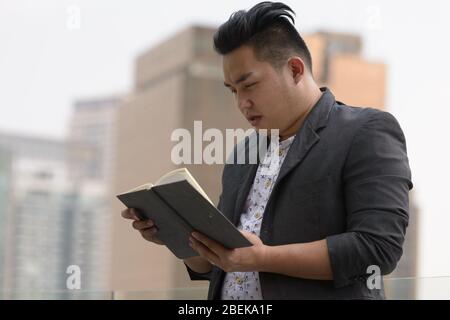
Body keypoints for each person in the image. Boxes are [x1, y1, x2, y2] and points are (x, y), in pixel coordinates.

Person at [121, 1, 413, 299]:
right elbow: (221, 262)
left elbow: (378, 247)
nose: (241, 103)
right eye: (233, 90)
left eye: (249, 85)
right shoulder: (243, 153)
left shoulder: (365, 131)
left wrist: (263, 258)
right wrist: (176, 235)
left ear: (295, 69)